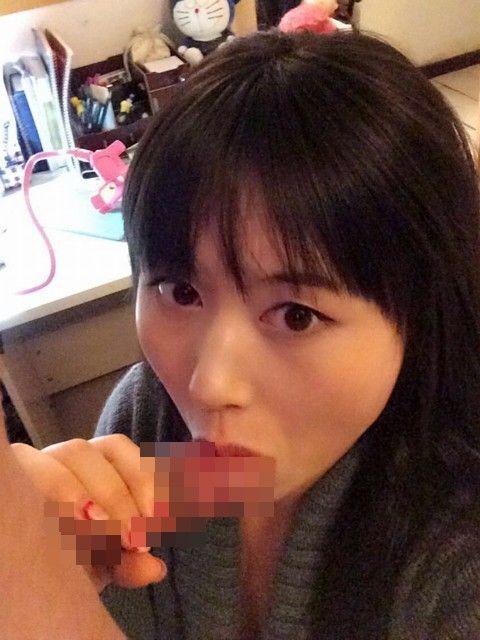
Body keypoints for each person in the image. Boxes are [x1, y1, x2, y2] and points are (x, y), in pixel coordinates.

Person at [2, 28, 480, 639]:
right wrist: (56, 565)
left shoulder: (458, 551)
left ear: (421, 309)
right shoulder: (149, 422)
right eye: (181, 291)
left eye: (296, 315)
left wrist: (32, 587)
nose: (210, 385)